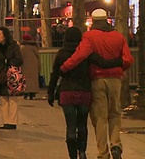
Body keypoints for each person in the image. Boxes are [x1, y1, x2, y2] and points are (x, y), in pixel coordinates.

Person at [60, 8, 134, 159]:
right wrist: (121, 68)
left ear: (93, 21)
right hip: (115, 80)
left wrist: (64, 67)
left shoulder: (89, 36)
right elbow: (128, 60)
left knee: (100, 118)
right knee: (115, 113)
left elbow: (79, 56)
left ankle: (103, 152)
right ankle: (116, 144)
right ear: (107, 19)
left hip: (97, 80)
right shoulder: (118, 37)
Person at [48, 26, 123, 159]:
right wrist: (120, 61)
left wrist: (51, 92)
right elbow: (103, 63)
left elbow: (55, 74)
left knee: (70, 126)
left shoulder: (61, 54)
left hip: (67, 93)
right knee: (82, 124)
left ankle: (73, 156)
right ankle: (82, 153)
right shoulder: (86, 53)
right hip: (84, 92)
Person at [0, 26, 23, 130]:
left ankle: (12, 122)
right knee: (4, 98)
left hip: (11, 75)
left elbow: (19, 59)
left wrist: (9, 62)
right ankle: (5, 121)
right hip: (1, 75)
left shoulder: (14, 45)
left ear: (5, 35)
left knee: (13, 98)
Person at [21, 34, 41, 100]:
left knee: (25, 79)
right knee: (33, 79)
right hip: (34, 65)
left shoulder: (22, 47)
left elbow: (20, 57)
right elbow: (38, 57)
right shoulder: (34, 47)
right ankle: (32, 93)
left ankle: (26, 93)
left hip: (24, 65)